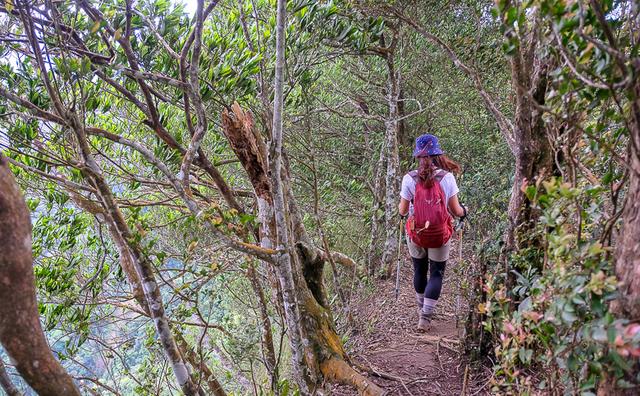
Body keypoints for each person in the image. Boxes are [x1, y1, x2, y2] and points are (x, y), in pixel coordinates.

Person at [398, 133, 467, 332]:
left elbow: (402, 211)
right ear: (437, 155)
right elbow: (455, 211)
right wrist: (465, 211)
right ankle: (425, 318)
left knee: (419, 270)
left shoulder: (409, 179)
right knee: (436, 273)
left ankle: (422, 311)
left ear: (418, 156)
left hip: (416, 233)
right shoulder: (447, 178)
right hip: (439, 233)